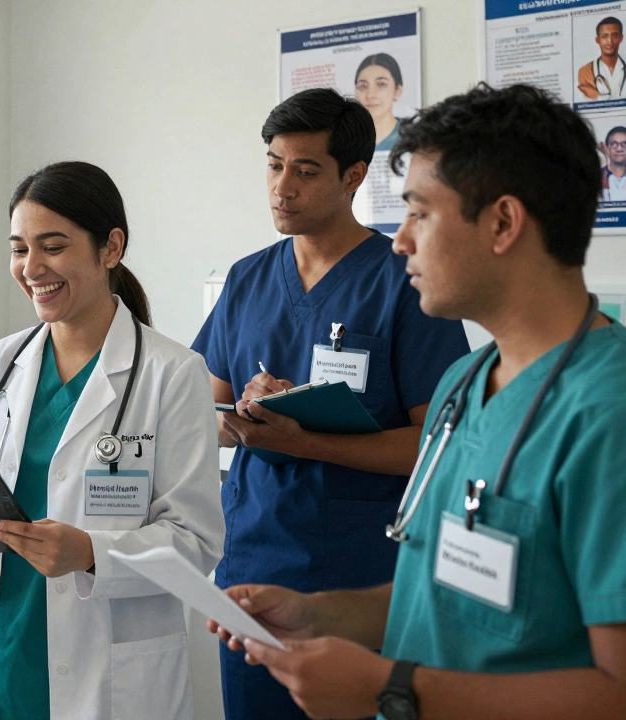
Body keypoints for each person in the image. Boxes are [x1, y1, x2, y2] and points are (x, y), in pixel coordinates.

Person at [210, 82, 626, 720]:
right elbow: (441, 589)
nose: (400, 241)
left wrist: (394, 688)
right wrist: (318, 612)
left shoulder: (614, 414)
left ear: (501, 223)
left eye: (419, 212)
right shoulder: (463, 383)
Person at [0, 161, 224, 720]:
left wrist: (91, 553)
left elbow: (197, 543)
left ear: (111, 247)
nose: (31, 268)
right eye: (19, 248)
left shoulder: (172, 373)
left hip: (106, 678)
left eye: (53, 246)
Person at [190, 88, 470, 720]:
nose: (281, 186)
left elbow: (439, 448)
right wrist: (247, 417)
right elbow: (207, 418)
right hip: (253, 568)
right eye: (273, 164)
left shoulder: (404, 281)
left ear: (353, 176)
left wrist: (305, 439)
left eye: (305, 170)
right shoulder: (246, 280)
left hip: (366, 577)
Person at [577, 16, 626, 100]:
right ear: (597, 40)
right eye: (604, 36)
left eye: (614, 35)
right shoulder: (586, 71)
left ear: (621, 38)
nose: (610, 41)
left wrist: (598, 96)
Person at [354, 53, 405, 152]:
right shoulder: (344, 140)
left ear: (397, 91)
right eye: (363, 86)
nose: (370, 95)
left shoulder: (414, 138)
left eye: (381, 84)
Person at [599, 125, 626, 201]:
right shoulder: (595, 179)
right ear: (606, 147)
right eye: (614, 144)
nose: (619, 149)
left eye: (624, 144)